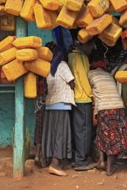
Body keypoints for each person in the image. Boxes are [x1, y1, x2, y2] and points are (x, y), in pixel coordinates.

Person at [88, 58, 127, 176]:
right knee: (114, 136)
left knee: (103, 135)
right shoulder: (108, 75)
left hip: (104, 108)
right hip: (117, 106)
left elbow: (90, 91)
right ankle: (105, 164)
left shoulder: (90, 74)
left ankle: (106, 165)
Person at [41, 48, 75, 177]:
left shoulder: (46, 66)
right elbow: (71, 82)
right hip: (61, 103)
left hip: (50, 103)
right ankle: (55, 164)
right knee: (61, 134)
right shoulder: (62, 65)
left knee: (52, 134)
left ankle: (52, 160)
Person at [68, 40, 96, 171]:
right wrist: (92, 95)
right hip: (83, 98)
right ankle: (81, 160)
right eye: (91, 45)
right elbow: (84, 79)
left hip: (74, 98)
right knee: (84, 130)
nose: (92, 48)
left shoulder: (70, 56)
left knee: (77, 130)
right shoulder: (81, 57)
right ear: (84, 44)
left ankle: (76, 157)